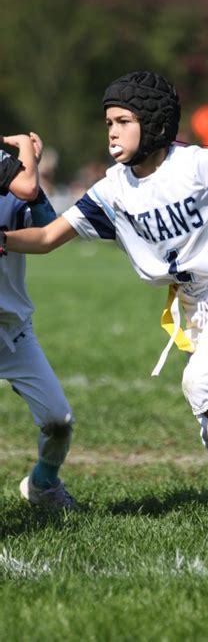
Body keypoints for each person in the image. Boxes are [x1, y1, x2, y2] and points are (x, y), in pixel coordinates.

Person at [1, 70, 208, 527]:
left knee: (200, 385)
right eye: (108, 123)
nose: (112, 132)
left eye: (123, 120)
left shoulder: (196, 164)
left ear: (156, 125)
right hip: (191, 305)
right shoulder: (113, 189)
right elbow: (46, 236)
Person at [0, 133, 77, 511]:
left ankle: (43, 484)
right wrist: (28, 152)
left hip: (13, 331)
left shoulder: (9, 178)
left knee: (58, 420)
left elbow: (48, 225)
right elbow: (28, 183)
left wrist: (26, 162)